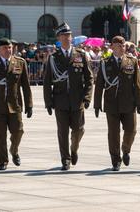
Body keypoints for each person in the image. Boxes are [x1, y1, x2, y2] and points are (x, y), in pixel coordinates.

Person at [43, 22, 93, 171]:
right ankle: (65, 159)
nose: (67, 38)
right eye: (64, 35)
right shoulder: (53, 58)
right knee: (62, 132)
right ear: (59, 38)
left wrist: (87, 97)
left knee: (79, 130)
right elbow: (47, 82)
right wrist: (48, 102)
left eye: (69, 35)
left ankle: (74, 148)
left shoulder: (81, 55)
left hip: (77, 100)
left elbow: (89, 78)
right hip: (60, 101)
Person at [94, 36, 140, 171]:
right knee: (113, 134)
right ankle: (115, 159)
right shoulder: (105, 63)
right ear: (112, 47)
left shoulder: (132, 61)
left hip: (128, 103)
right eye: (118, 45)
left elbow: (138, 83)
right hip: (112, 104)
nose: (122, 48)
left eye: (123, 45)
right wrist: (97, 104)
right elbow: (99, 85)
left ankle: (126, 149)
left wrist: (139, 102)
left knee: (131, 130)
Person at [0, 38, 33, 170]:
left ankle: (14, 150)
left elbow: (26, 86)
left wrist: (29, 104)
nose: (8, 50)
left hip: (15, 105)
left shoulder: (20, 62)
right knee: (0, 136)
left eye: (10, 47)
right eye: (5, 48)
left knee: (19, 131)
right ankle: (3, 161)